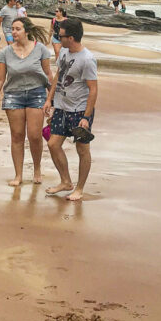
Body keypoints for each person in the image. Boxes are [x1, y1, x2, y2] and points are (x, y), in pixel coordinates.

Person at [0, 17, 54, 186]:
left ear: (26, 31)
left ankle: (37, 169)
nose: (13, 32)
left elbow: (48, 75)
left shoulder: (40, 50)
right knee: (17, 136)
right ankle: (18, 175)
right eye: (12, 29)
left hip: (36, 93)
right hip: (13, 95)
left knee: (34, 135)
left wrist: (51, 98)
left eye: (17, 29)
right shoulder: (5, 52)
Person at [43, 17, 97, 201]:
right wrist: (49, 99)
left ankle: (79, 189)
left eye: (62, 35)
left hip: (80, 111)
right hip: (62, 107)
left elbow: (93, 89)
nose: (59, 37)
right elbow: (59, 75)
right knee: (52, 144)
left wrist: (86, 118)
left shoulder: (87, 59)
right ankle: (66, 181)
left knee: (82, 150)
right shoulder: (65, 52)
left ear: (71, 38)